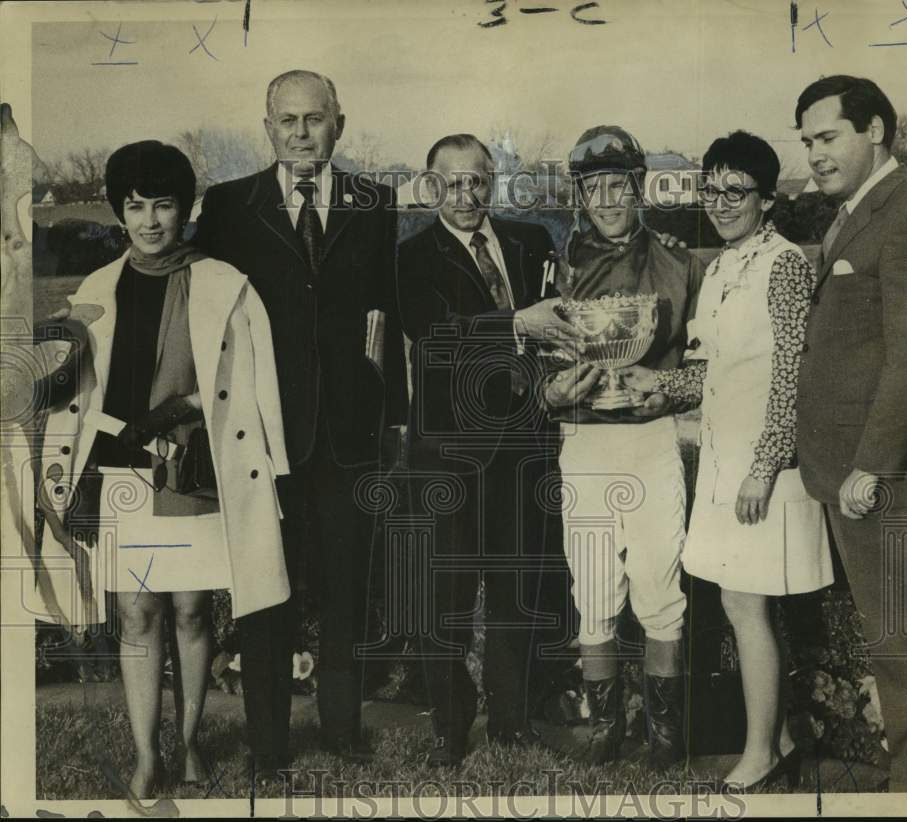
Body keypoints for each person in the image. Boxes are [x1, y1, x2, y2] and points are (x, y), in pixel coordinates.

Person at [36, 140, 290, 799]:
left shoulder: (225, 285)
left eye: (165, 205)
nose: (150, 220)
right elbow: (76, 397)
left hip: (195, 475)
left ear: (188, 209)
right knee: (138, 614)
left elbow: (254, 387)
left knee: (191, 612)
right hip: (122, 474)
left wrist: (211, 429)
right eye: (136, 206)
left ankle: (189, 743)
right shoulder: (95, 290)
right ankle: (149, 756)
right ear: (121, 212)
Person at [194, 69, 407, 775]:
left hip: (348, 434)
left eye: (315, 119)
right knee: (265, 593)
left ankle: (343, 732)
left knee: (347, 587)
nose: (301, 133)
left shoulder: (375, 204)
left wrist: (394, 420)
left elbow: (389, 314)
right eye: (287, 121)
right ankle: (268, 744)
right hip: (262, 432)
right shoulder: (228, 207)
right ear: (267, 129)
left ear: (339, 123)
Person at [623, 130, 834, 789]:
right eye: (710, 190)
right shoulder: (718, 268)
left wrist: (765, 466)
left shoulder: (785, 264)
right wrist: (658, 384)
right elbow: (710, 371)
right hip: (721, 463)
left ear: (767, 199)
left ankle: (761, 757)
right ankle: (782, 738)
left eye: (735, 192)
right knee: (741, 607)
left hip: (760, 470)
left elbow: (794, 375)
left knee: (746, 609)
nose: (720, 203)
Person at [793, 75, 907, 791]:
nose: (814, 157)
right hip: (849, 469)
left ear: (876, 131)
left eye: (827, 138)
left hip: (883, 476)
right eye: (806, 143)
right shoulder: (860, 209)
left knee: (903, 641)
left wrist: (871, 466)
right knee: (892, 634)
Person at [396, 133, 581, 767]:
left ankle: (511, 719)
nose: (466, 194)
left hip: (524, 441)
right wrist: (516, 323)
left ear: (493, 179)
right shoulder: (412, 256)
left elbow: (563, 320)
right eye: (451, 183)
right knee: (445, 594)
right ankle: (450, 724)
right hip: (448, 450)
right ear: (430, 186)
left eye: (477, 180)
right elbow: (433, 332)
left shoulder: (530, 242)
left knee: (516, 587)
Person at [544, 125, 705, 768]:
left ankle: (664, 736)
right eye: (593, 188)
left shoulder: (681, 262)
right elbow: (531, 360)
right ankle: (605, 727)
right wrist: (553, 388)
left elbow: (703, 372)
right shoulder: (555, 264)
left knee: (660, 586)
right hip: (583, 441)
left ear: (639, 188)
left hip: (650, 440)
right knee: (592, 587)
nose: (607, 200)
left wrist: (665, 391)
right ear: (579, 195)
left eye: (619, 185)